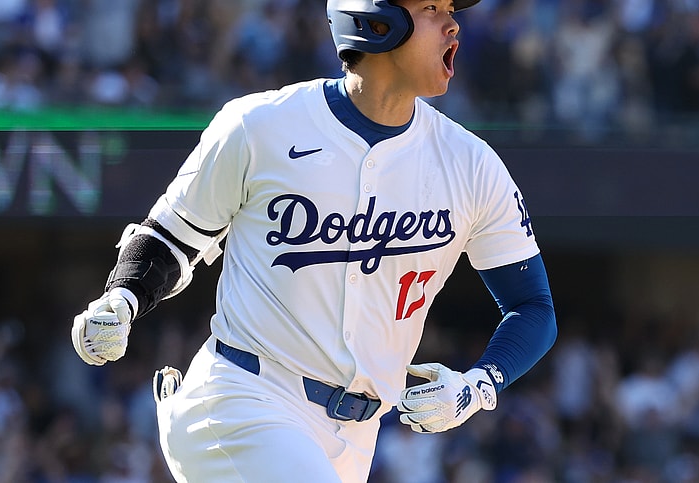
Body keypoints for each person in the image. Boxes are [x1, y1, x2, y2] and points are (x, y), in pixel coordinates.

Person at [70, 0, 558, 481]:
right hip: (243, 399)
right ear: (374, 19)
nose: (453, 24)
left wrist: (478, 386)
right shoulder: (260, 124)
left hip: (357, 438)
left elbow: (533, 305)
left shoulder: (472, 164)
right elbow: (170, 238)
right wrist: (122, 297)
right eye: (432, 7)